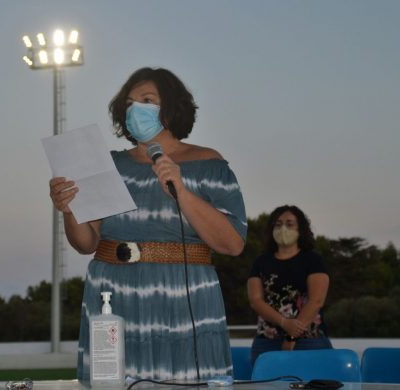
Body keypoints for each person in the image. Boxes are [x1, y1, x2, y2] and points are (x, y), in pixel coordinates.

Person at [50, 67, 247, 382]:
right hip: (113, 295)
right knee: (112, 381)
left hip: (184, 298)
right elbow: (86, 243)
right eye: (129, 103)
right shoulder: (109, 165)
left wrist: (181, 191)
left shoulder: (209, 164)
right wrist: (68, 208)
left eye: (147, 100)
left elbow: (233, 243)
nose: (135, 110)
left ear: (171, 107)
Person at [247, 205, 332, 365]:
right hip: (267, 341)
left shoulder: (313, 260)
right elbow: (256, 300)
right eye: (278, 224)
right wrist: (284, 323)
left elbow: (316, 300)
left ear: (301, 229)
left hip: (310, 341)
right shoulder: (260, 262)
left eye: (289, 223)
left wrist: (292, 336)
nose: (283, 228)